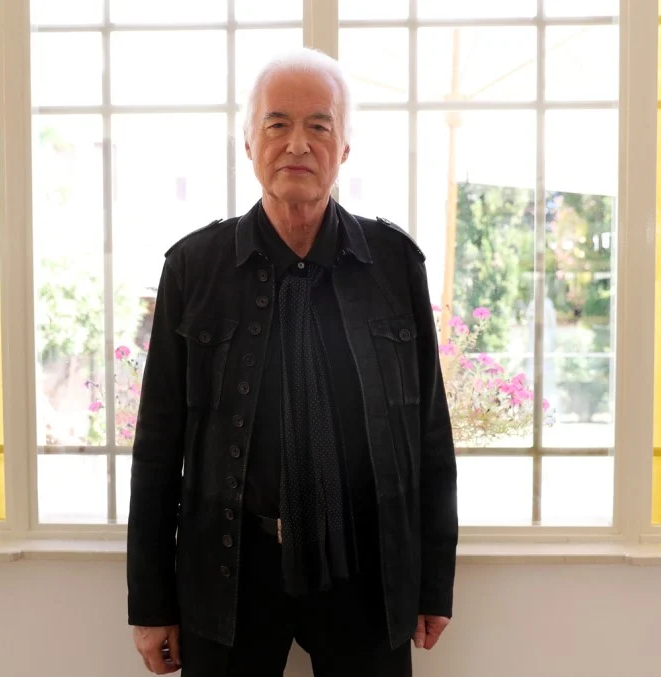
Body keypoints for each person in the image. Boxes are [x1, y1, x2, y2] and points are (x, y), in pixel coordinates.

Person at [127, 47, 458, 677]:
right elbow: (157, 447)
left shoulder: (394, 265)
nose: (297, 144)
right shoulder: (194, 269)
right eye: (277, 123)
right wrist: (150, 603)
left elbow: (430, 439)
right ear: (249, 143)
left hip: (367, 571)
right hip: (229, 570)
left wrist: (433, 584)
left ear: (345, 147)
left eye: (319, 125)